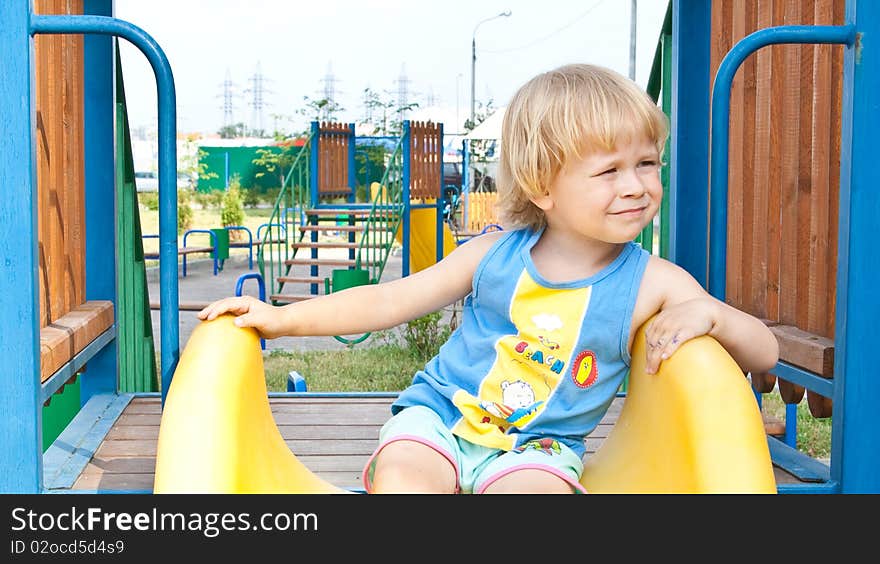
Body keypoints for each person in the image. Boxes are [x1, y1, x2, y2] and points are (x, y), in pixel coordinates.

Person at [198, 63, 779, 494]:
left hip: (540, 450)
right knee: (405, 474)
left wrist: (714, 314)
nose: (636, 185)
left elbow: (766, 353)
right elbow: (392, 299)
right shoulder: (497, 253)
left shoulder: (654, 281)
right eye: (609, 171)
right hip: (442, 416)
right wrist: (284, 319)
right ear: (541, 186)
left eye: (647, 163)